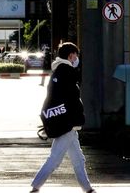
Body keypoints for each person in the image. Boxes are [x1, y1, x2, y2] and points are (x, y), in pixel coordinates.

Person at [30, 42, 96, 193]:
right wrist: (77, 119)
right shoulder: (67, 72)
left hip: (65, 121)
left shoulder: (58, 71)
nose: (77, 58)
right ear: (71, 55)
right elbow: (72, 99)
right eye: (76, 55)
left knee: (78, 159)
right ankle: (35, 186)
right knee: (55, 158)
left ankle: (87, 188)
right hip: (67, 122)